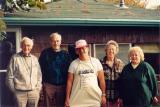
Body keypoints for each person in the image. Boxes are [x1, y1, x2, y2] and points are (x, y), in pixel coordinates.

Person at [65, 39, 106, 107]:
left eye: (83, 48)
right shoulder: (73, 64)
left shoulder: (96, 62)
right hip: (77, 99)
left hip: (94, 99)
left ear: (87, 48)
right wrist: (67, 98)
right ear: (76, 51)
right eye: (79, 49)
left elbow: (101, 79)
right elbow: (69, 82)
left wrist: (103, 95)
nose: (81, 50)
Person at [6, 37, 42, 107]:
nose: (26, 47)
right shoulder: (15, 58)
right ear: (21, 46)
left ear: (31, 47)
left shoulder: (34, 59)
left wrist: (38, 89)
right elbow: (9, 77)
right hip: (20, 93)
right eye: (24, 45)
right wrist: (15, 92)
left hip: (33, 93)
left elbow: (39, 75)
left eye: (28, 45)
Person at [39, 32, 71, 107]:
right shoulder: (45, 53)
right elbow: (39, 69)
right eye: (53, 41)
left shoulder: (65, 54)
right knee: (47, 105)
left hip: (62, 85)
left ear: (60, 42)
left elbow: (70, 70)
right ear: (50, 42)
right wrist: (42, 84)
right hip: (48, 84)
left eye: (57, 41)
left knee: (61, 105)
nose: (56, 43)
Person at [100, 40, 124, 107]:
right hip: (104, 98)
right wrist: (102, 96)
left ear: (116, 51)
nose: (111, 51)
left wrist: (121, 96)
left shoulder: (120, 63)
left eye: (113, 49)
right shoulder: (100, 63)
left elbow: (123, 81)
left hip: (117, 98)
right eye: (109, 49)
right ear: (106, 50)